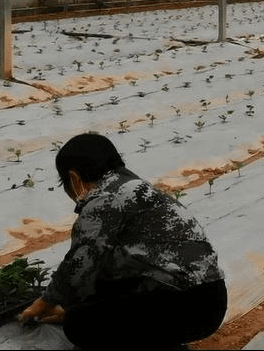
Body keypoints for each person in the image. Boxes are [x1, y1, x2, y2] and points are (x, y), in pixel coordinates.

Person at [17, 132, 227, 350]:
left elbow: (80, 265)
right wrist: (72, 303)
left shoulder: (106, 199)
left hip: (187, 306)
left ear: (74, 178)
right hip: (207, 299)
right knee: (100, 294)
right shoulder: (134, 188)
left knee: (80, 324)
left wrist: (44, 303)